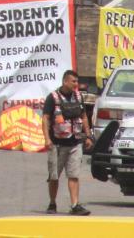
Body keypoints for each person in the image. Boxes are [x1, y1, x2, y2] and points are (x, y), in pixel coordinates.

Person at [43, 70, 92, 215]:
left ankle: (75, 205)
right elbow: (45, 118)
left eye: (77, 81)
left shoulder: (78, 97)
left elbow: (83, 117)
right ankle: (52, 203)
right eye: (73, 81)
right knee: (54, 176)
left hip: (75, 143)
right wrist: (47, 138)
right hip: (57, 144)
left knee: (74, 175)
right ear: (65, 82)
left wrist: (88, 136)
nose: (76, 84)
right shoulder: (53, 98)